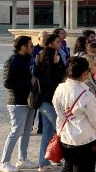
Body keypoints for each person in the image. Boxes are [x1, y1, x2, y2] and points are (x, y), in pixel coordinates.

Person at [52, 57, 96, 172]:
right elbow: (95, 119)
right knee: (84, 168)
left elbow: (57, 109)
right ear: (84, 73)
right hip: (84, 138)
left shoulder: (59, 88)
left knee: (68, 166)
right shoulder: (86, 94)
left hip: (65, 136)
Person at [0, 36, 38, 172]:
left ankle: (22, 159)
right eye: (31, 46)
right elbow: (7, 82)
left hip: (29, 101)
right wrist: (29, 83)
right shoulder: (12, 61)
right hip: (17, 102)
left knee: (26, 131)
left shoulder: (27, 59)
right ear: (23, 47)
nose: (33, 48)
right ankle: (4, 162)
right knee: (16, 131)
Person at [34, 35, 66, 171]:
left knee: (47, 133)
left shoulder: (51, 68)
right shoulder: (46, 71)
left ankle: (43, 163)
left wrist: (59, 63)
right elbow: (56, 86)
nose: (57, 57)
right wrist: (59, 66)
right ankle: (66, 158)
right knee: (62, 129)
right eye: (56, 55)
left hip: (47, 103)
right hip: (46, 103)